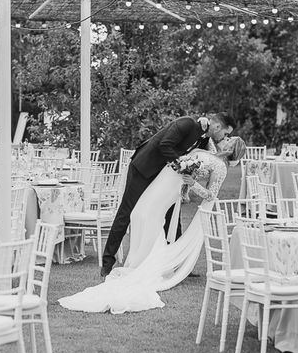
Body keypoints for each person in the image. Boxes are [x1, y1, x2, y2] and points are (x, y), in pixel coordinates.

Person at [58, 136, 247, 314]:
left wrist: (192, 184)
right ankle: (142, 258)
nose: (225, 139)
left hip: (169, 187)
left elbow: (211, 195)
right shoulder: (211, 152)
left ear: (232, 148)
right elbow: (189, 169)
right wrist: (186, 189)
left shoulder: (221, 167)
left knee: (147, 215)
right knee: (139, 213)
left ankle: (148, 262)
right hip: (167, 181)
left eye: (229, 140)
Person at [100, 112, 236, 278]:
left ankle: (177, 264)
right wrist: (183, 166)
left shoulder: (205, 137)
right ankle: (107, 263)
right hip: (143, 168)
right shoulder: (186, 124)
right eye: (225, 133)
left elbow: (212, 157)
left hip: (163, 176)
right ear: (216, 127)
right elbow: (165, 145)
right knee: (126, 213)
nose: (224, 137)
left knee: (173, 215)